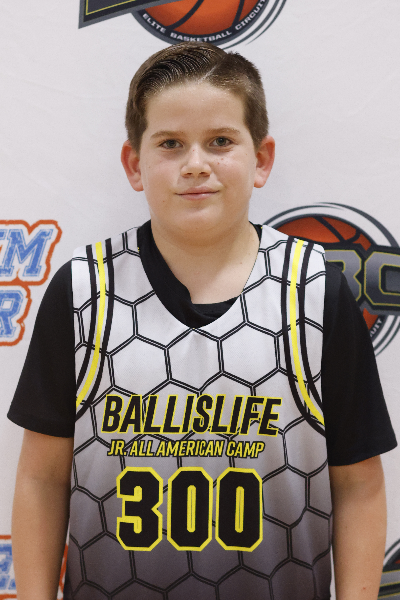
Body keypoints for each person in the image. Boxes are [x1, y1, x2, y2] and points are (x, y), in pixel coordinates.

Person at [8, 42, 397, 600]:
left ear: (261, 158)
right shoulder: (83, 290)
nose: (196, 163)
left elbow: (358, 485)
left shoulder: (316, 291)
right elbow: (42, 477)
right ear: (134, 164)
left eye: (220, 141)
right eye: (170, 143)